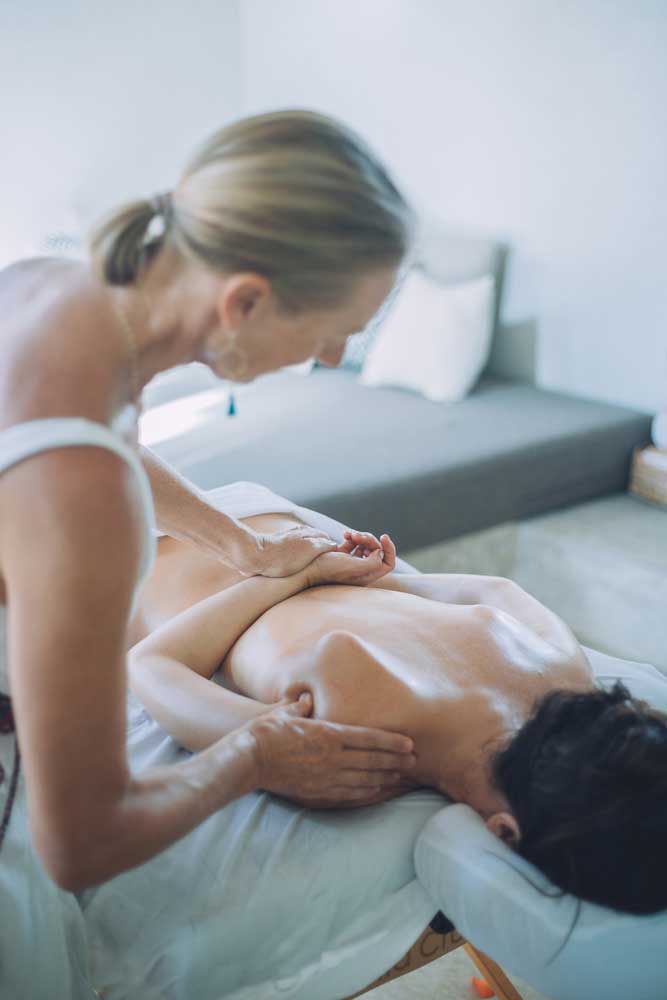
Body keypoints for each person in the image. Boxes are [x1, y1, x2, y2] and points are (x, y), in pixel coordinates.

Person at [0, 110, 420, 998]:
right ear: (246, 302)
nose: (333, 357)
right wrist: (253, 755)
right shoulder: (86, 496)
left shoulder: (50, 289)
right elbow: (80, 844)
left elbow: (95, 429)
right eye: (334, 331)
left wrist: (242, 544)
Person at [128, 489, 667, 917]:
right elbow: (151, 665)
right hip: (132, 555)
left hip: (264, 516)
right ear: (503, 832)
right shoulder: (347, 737)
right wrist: (304, 578)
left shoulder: (565, 667)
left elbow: (496, 591)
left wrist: (337, 579)